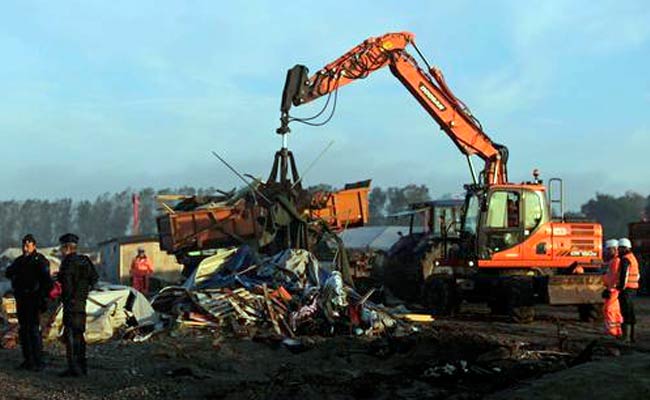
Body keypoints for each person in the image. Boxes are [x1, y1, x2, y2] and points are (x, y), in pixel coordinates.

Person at [5, 234, 53, 371]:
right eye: (24, 245)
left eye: (28, 245)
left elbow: (46, 282)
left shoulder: (40, 260)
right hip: (22, 300)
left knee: (33, 331)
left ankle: (38, 361)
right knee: (24, 330)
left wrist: (42, 298)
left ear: (34, 246)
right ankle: (28, 360)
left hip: (34, 300)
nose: (25, 248)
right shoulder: (20, 261)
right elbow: (9, 272)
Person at [57, 233, 99, 377]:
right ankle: (82, 367)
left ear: (67, 248)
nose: (61, 251)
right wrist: (84, 292)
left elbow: (67, 285)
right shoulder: (85, 261)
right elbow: (95, 279)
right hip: (82, 303)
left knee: (70, 335)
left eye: (62, 248)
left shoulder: (68, 263)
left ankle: (73, 369)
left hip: (71, 304)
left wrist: (65, 296)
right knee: (79, 335)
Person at [616, 238, 639, 343]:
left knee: (626, 313)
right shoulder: (633, 258)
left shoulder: (625, 259)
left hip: (626, 289)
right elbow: (637, 275)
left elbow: (624, 275)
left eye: (619, 248)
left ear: (623, 248)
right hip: (633, 288)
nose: (618, 250)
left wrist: (620, 287)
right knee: (630, 312)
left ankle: (626, 337)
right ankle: (632, 337)